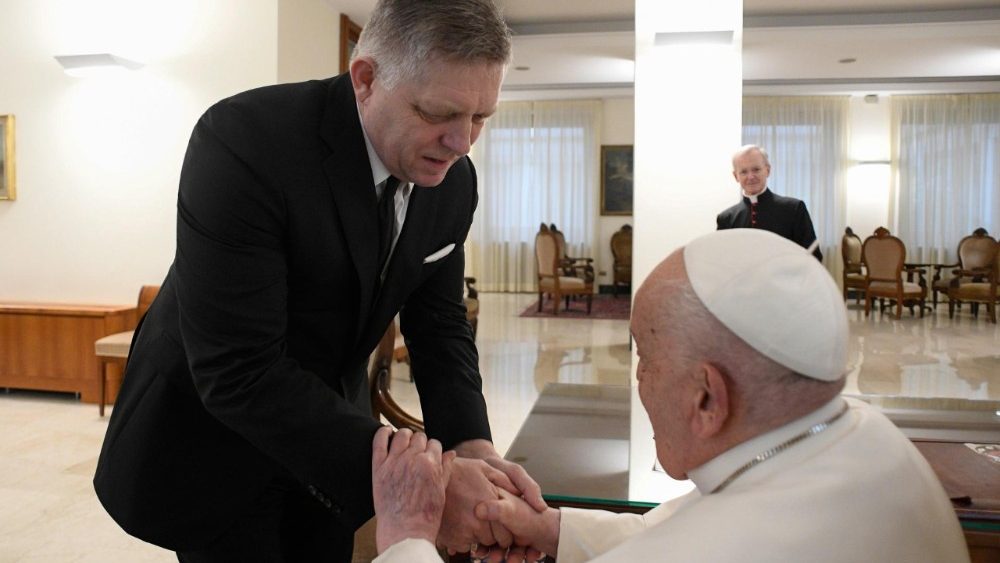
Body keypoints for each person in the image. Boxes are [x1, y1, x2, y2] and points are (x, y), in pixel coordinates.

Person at [93, 1, 545, 561]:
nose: (463, 143)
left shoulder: (454, 183)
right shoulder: (244, 141)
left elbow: (439, 325)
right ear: (366, 78)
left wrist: (469, 443)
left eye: (481, 118)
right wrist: (426, 487)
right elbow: (239, 369)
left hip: (335, 440)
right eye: (439, 113)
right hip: (213, 443)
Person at [370, 229, 970, 563]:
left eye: (645, 357)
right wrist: (553, 530)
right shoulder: (860, 432)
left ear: (709, 398)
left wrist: (406, 540)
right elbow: (690, 525)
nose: (638, 381)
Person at [717, 145, 823, 261]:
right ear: (736, 176)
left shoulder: (794, 209)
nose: (750, 177)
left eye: (756, 169)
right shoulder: (726, 219)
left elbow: (814, 257)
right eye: (743, 172)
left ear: (767, 170)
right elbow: (722, 264)